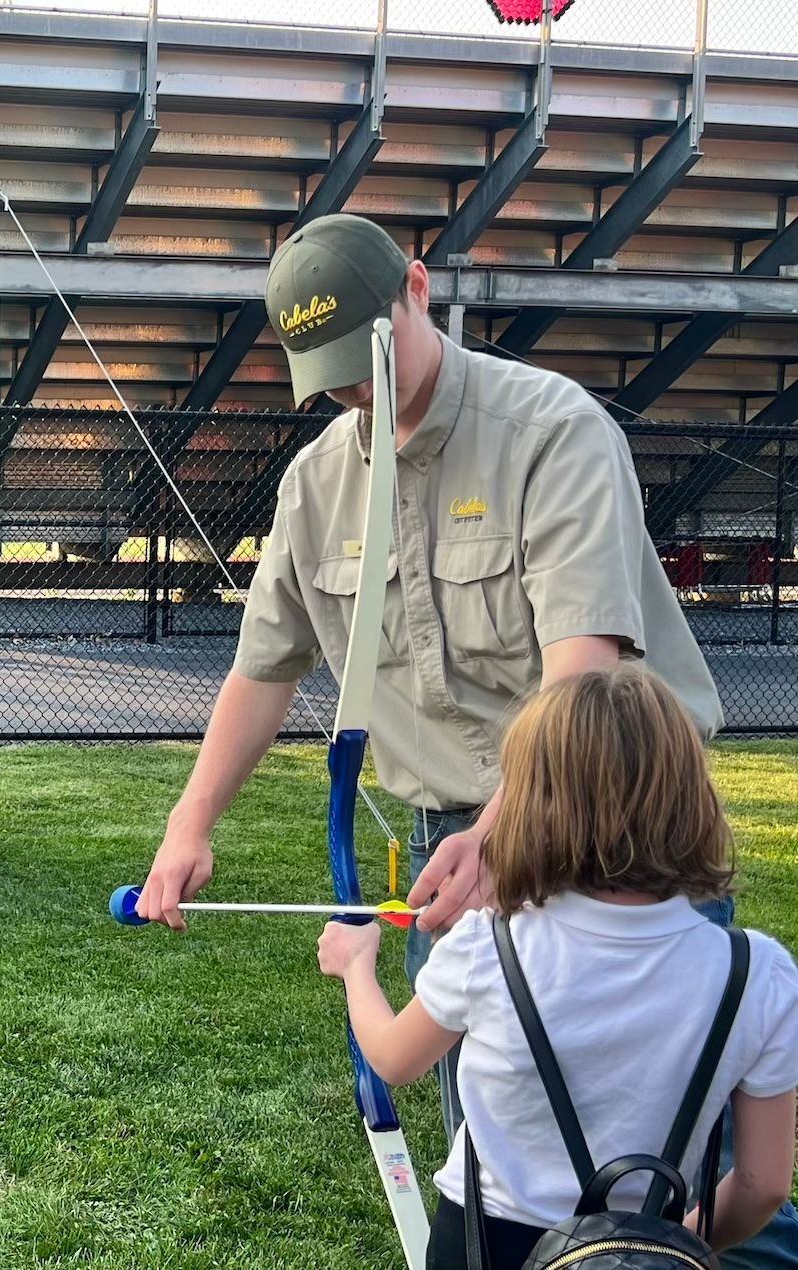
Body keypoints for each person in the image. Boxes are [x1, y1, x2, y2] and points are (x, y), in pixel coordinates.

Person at [134, 211, 798, 1263]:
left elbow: (584, 667)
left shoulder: (552, 427)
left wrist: (504, 834)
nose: (355, 392)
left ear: (416, 287)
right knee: (499, 1153)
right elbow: (263, 669)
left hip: (625, 823)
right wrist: (189, 821)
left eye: (364, 354)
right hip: (455, 827)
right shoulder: (315, 482)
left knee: (687, 1148)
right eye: (327, 374)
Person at [316, 665, 798, 1266]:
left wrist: (356, 966)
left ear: (535, 807)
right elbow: (763, 1184)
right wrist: (661, 1247)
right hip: (653, 1246)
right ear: (691, 796)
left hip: (484, 1245)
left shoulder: (486, 945)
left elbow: (390, 1058)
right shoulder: (759, 972)